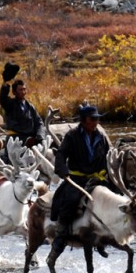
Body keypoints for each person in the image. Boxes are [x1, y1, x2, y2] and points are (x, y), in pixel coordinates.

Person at [49, 104, 113, 255]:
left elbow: (109, 157)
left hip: (98, 179)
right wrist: (62, 170)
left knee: (115, 199)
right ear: (84, 120)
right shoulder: (72, 136)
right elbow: (61, 155)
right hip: (77, 179)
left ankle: (104, 237)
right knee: (69, 202)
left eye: (97, 119)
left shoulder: (102, 137)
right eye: (93, 119)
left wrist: (112, 174)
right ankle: (61, 236)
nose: (96, 122)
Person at [0, 62, 44, 145]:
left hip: (30, 139)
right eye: (20, 90)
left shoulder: (30, 106)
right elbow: (2, 98)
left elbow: (39, 122)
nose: (23, 92)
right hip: (15, 140)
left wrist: (40, 135)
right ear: (14, 92)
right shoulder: (10, 104)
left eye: (24, 89)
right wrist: (5, 82)